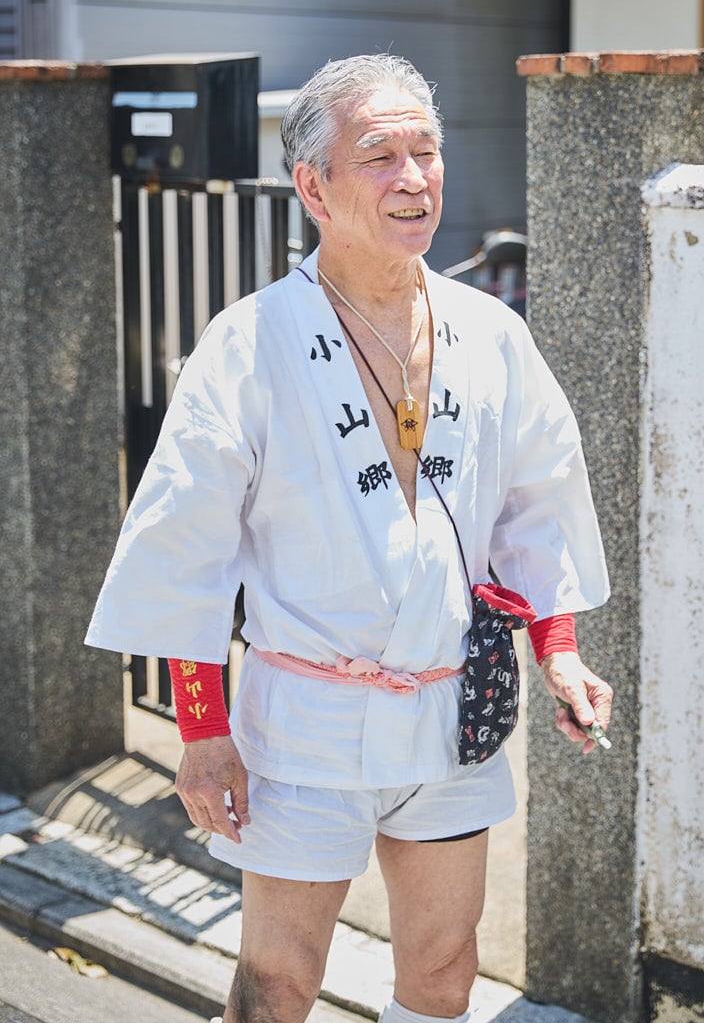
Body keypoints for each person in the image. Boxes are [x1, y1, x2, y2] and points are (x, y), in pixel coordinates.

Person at [86, 53, 612, 1023]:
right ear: (313, 186)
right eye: (379, 156)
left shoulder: (491, 333)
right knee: (278, 982)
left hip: (449, 711)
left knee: (445, 971)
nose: (414, 178)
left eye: (427, 152)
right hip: (305, 723)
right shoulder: (249, 343)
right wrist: (201, 731)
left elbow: (537, 501)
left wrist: (559, 648)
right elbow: (185, 546)